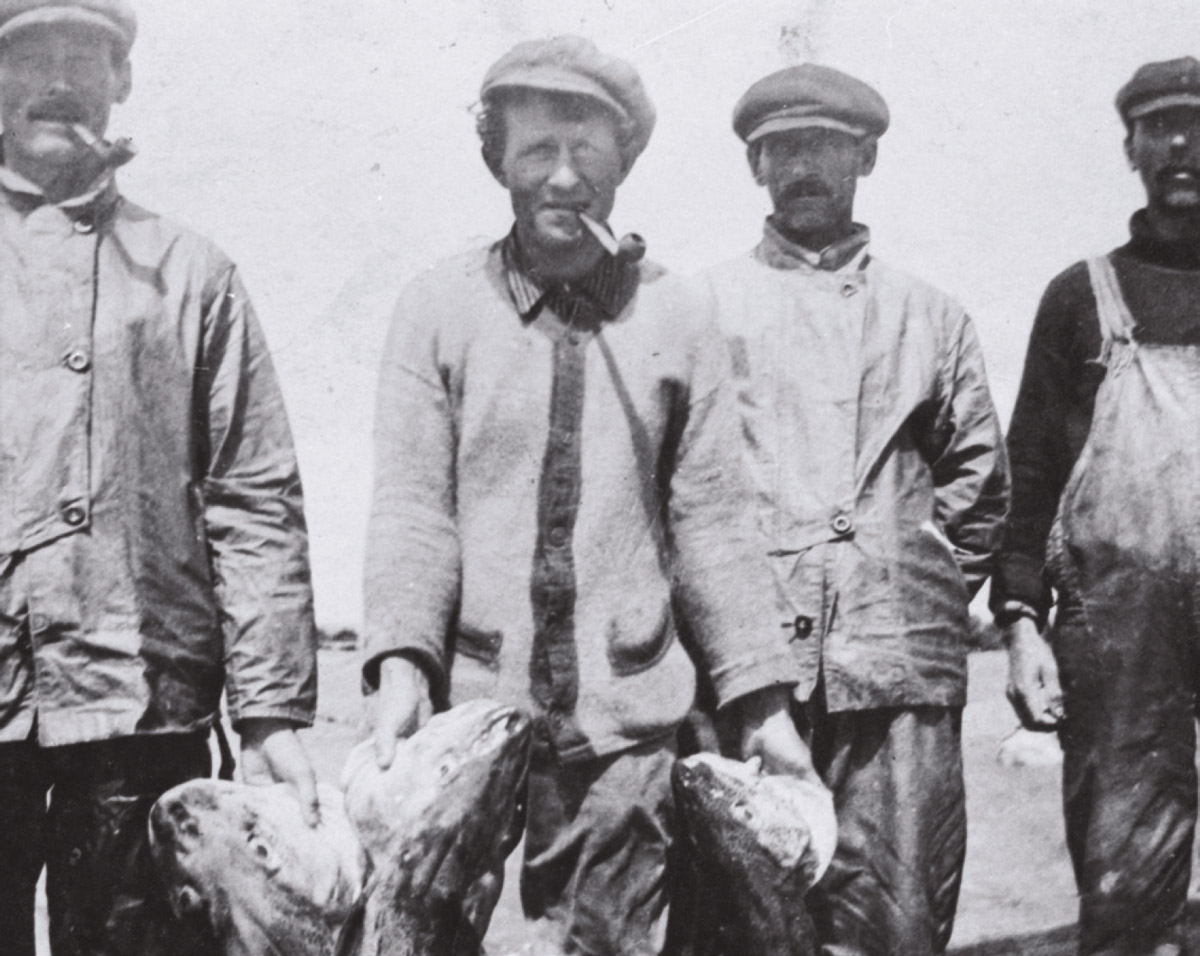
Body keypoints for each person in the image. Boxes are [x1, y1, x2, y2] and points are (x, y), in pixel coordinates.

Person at [363, 35, 813, 956]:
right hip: (467, 723)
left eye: (589, 154)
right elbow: (413, 509)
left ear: (623, 163)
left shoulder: (677, 313)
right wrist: (403, 670)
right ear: (499, 161)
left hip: (624, 726)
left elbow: (713, 522)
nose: (564, 178)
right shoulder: (437, 307)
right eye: (537, 152)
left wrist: (762, 708)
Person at [0, 2, 321, 954]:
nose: (59, 78)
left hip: (142, 710)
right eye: (29, 56)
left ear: (123, 81)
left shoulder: (193, 273)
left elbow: (253, 495)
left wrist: (268, 713)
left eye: (85, 57)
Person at [699, 64, 1009, 955]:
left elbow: (978, 482)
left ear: (865, 157)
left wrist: (905, 573)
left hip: (899, 669)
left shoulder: (930, 316)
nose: (804, 167)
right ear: (755, 165)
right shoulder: (702, 307)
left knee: (896, 921)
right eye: (782, 148)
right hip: (752, 674)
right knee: (743, 923)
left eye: (825, 147)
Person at [996, 56, 1200, 956]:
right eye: (1161, 127)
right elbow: (1029, 474)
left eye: (1198, 122)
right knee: (1123, 895)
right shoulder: (1082, 297)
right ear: (1130, 147)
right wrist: (1019, 622)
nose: (1183, 145)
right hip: (1120, 635)